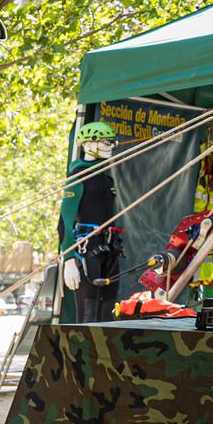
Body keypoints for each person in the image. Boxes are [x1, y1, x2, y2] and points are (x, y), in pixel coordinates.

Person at [57, 120, 122, 323]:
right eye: (104, 142)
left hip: (109, 248)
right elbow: (64, 221)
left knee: (108, 312)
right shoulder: (78, 175)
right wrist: (68, 260)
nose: (109, 146)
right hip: (87, 251)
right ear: (87, 145)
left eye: (111, 142)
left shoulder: (107, 178)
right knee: (87, 314)